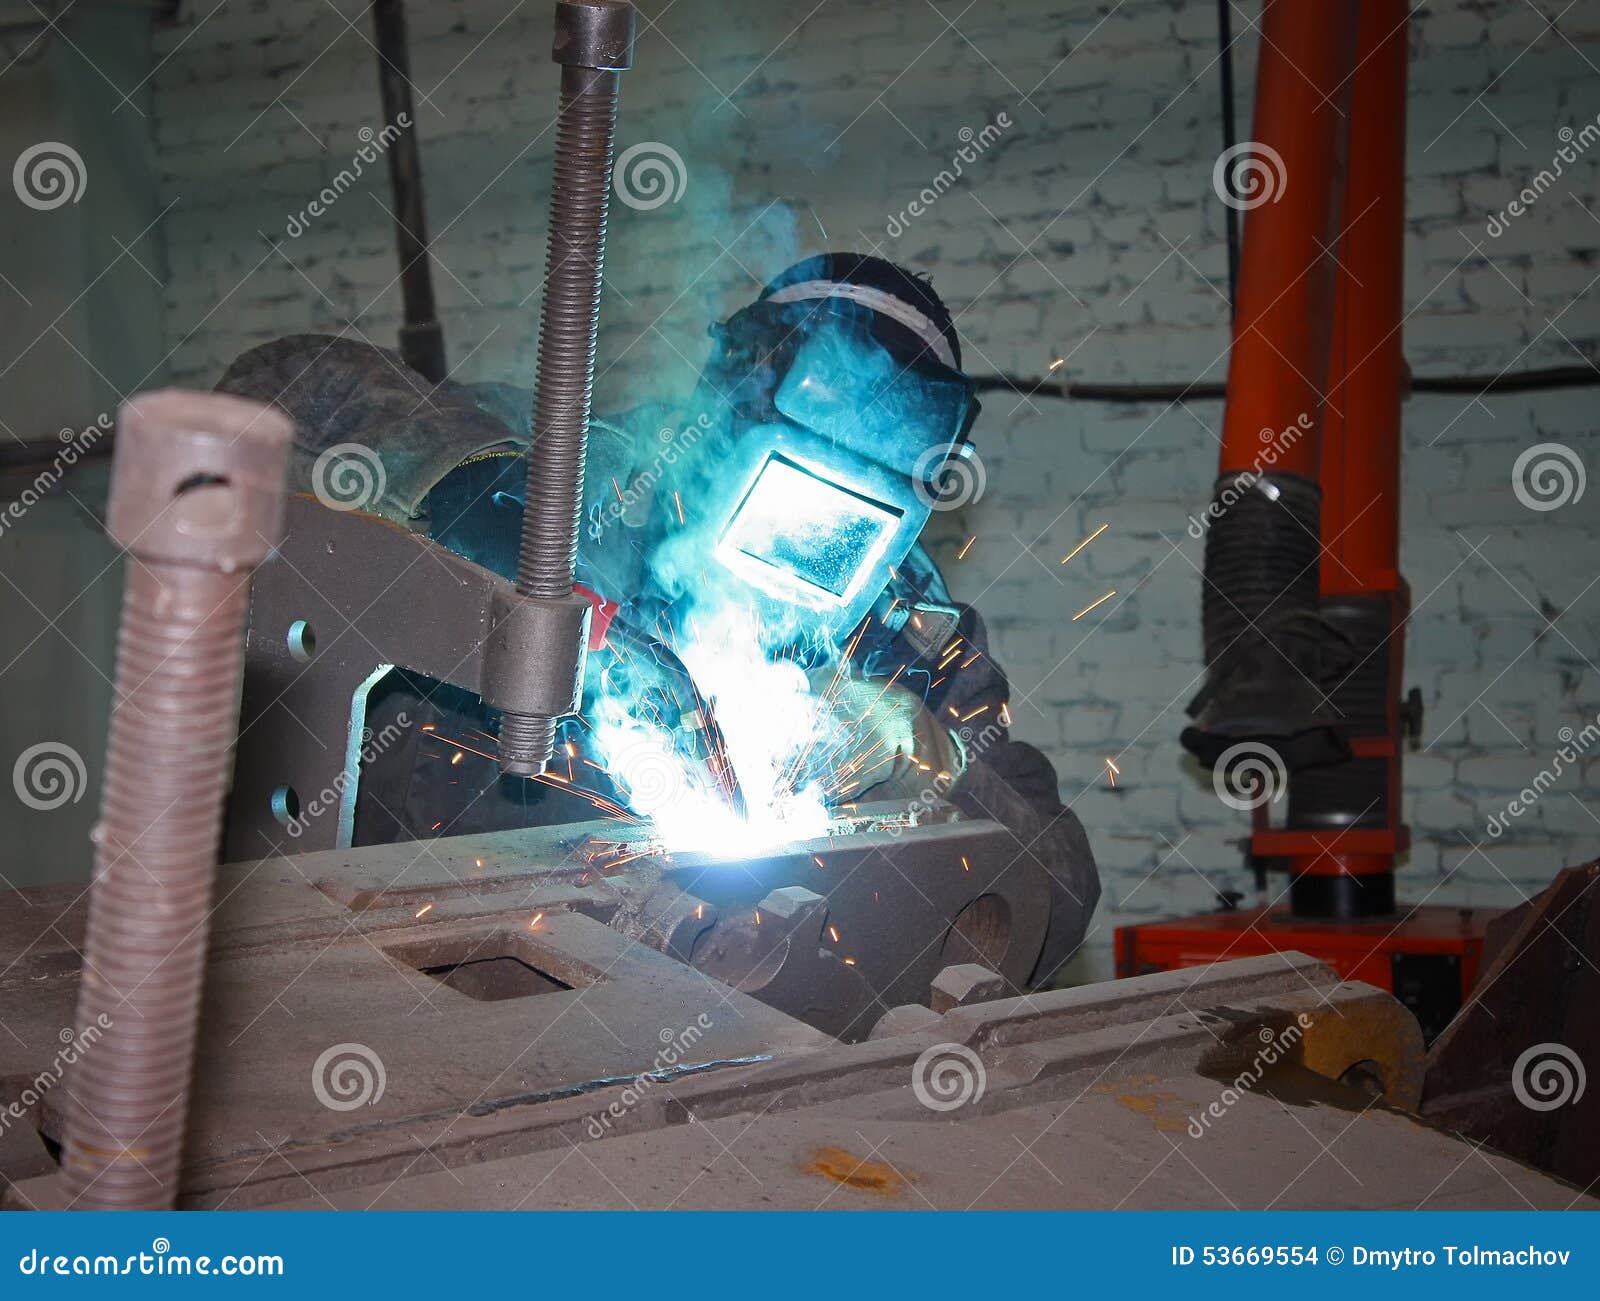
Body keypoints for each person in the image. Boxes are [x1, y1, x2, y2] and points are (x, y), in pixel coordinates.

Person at [218, 252, 1099, 985]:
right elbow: (271, 390)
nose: (802, 567)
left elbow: (1060, 883)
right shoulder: (584, 479)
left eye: (851, 534)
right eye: (793, 501)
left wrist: (928, 753)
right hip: (421, 994)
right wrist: (472, 496)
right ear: (724, 415)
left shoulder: (910, 631)